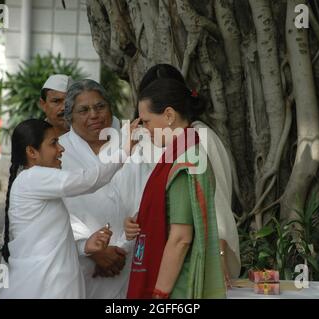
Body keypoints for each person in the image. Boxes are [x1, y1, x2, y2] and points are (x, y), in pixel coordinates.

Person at [0, 119, 138, 299]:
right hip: (42, 287)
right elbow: (87, 180)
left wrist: (84, 245)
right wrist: (125, 150)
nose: (61, 149)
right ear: (32, 152)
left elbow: (49, 238)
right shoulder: (32, 178)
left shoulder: (32, 181)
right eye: (53, 143)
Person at [134, 64, 241, 283]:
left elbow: (216, 202)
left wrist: (218, 257)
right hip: (162, 253)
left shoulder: (200, 138)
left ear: (169, 110)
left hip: (193, 259)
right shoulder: (158, 140)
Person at [125, 78, 226, 299]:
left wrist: (159, 294)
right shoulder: (184, 153)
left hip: (178, 286)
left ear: (169, 115)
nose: (145, 129)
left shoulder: (185, 160)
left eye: (147, 121)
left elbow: (181, 238)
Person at [60, 79, 152, 298]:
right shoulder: (59, 151)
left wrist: (124, 246)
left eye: (100, 106)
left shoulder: (132, 143)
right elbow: (56, 211)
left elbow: (147, 192)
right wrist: (92, 251)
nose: (94, 115)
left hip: (131, 258)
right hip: (81, 264)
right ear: (69, 116)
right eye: (83, 110)